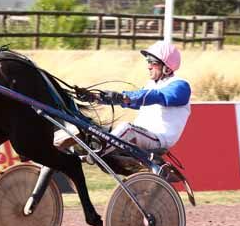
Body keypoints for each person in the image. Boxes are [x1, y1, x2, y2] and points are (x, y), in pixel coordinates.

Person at [54, 40, 191, 153]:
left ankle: (97, 153)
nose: (148, 66)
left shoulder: (180, 86)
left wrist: (123, 97)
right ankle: (55, 147)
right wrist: (96, 97)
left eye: (153, 62)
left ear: (167, 66)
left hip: (158, 139)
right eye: (147, 62)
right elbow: (131, 101)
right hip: (142, 134)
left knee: (127, 128)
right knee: (88, 126)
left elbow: (156, 96)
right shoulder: (151, 85)